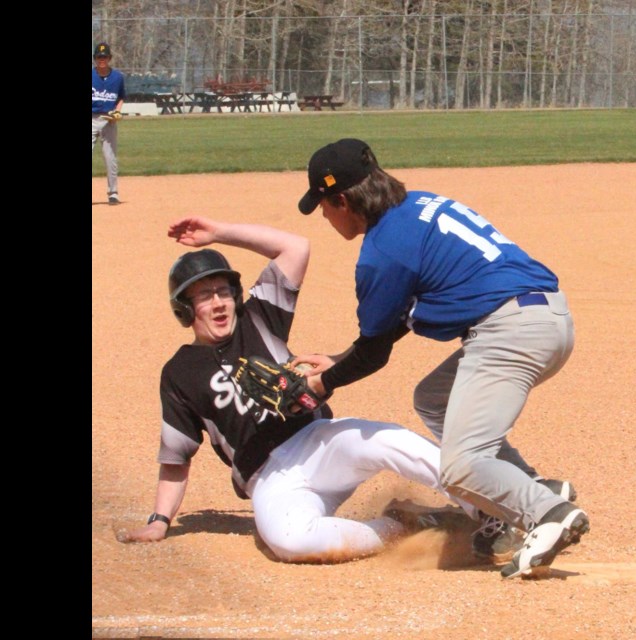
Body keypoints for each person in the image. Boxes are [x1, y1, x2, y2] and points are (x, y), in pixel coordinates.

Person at [293, 138, 589, 578]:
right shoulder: (418, 205)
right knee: (434, 397)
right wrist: (338, 359)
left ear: (342, 200)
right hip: (547, 317)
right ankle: (527, 484)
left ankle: (547, 512)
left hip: (510, 333)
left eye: (323, 204)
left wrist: (324, 383)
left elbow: (375, 352)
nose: (323, 215)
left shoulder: (381, 253)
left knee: (460, 467)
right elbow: (390, 325)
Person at [116, 216, 476, 563]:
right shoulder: (179, 373)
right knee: (291, 541)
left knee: (389, 441)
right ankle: (401, 525)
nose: (218, 303)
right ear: (184, 309)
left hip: (318, 442)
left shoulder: (258, 318)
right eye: (204, 296)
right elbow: (176, 460)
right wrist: (159, 522)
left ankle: (495, 506)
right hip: (270, 480)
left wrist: (219, 232)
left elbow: (295, 248)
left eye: (223, 291)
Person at [92, 42, 125, 206]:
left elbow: (120, 97)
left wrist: (117, 111)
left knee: (110, 157)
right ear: (94, 59)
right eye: (99, 57)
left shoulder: (117, 77)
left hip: (108, 120)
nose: (102, 59)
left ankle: (113, 193)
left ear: (110, 58)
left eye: (104, 57)